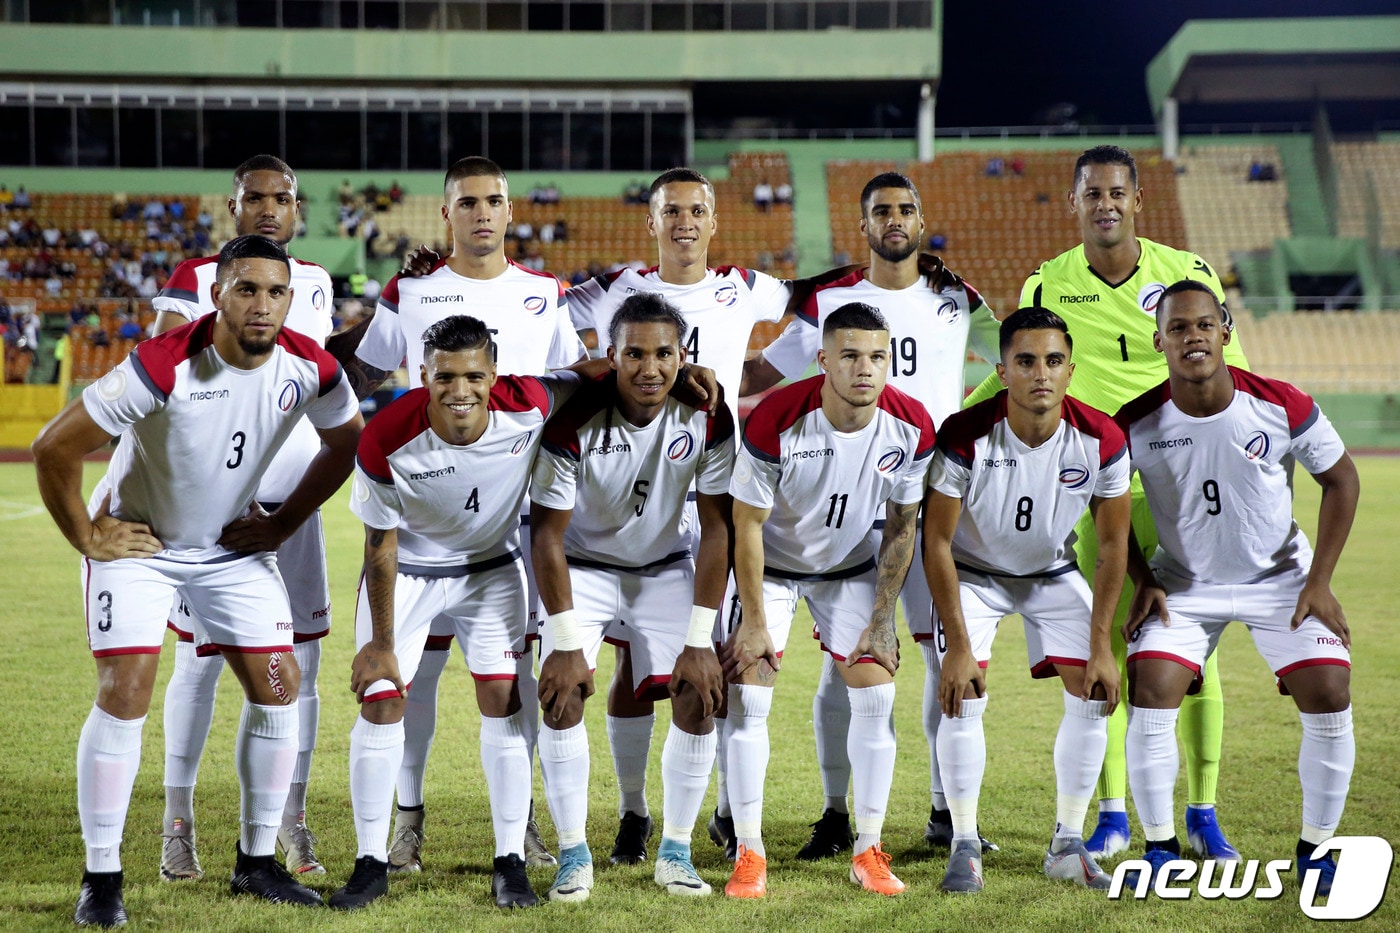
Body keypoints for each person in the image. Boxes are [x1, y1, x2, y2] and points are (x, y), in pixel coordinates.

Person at [31, 235, 363, 927]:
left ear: (292, 300)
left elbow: (345, 442)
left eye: (275, 292)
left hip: (230, 549)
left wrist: (284, 520)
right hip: (141, 545)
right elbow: (54, 445)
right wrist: (89, 537)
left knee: (280, 688)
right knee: (126, 691)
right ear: (217, 295)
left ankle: (255, 860)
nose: (262, 305)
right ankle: (102, 876)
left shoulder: (311, 367)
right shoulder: (163, 363)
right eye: (246, 289)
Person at [963, 145, 1251, 860]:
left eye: (1117, 192)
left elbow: (1234, 373)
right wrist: (951, 427)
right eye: (1091, 194)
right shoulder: (1048, 281)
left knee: (1194, 651)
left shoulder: (1189, 275)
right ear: (1074, 203)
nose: (1105, 205)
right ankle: (1115, 812)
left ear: (1137, 199)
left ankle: (1203, 809)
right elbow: (1021, 369)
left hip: (1182, 488)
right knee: (1111, 644)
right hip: (1101, 488)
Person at [742, 172, 1000, 860]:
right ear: (863, 225)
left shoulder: (957, 295)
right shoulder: (830, 298)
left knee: (937, 650)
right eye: (880, 210)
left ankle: (948, 811)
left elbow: (1003, 365)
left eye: (905, 208)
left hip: (936, 495)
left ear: (922, 219)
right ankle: (834, 813)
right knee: (849, 662)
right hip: (855, 502)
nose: (894, 218)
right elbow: (765, 375)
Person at [347, 155, 587, 873]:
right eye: (468, 201)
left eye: (495, 201)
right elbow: (364, 371)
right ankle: (406, 818)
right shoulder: (411, 288)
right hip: (423, 512)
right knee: (410, 677)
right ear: (445, 212)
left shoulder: (545, 291)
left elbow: (571, 384)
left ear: (510, 210)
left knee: (511, 681)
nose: (483, 212)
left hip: (513, 527)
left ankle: (523, 826)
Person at [567, 168, 792, 862]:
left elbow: (816, 303)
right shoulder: (614, 288)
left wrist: (746, 383)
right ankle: (635, 812)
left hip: (718, 492)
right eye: (672, 212)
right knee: (637, 670)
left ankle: (724, 813)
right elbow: (545, 330)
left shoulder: (748, 286)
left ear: (715, 219)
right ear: (652, 220)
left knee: (718, 666)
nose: (685, 222)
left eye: (697, 210)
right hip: (642, 499)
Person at [331, 314, 591, 911]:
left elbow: (591, 377)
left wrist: (685, 376)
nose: (460, 390)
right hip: (411, 573)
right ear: (421, 373)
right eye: (444, 376)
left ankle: (510, 862)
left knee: (503, 700)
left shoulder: (527, 401)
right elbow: (380, 544)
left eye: (474, 375)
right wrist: (381, 642)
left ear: (493, 374)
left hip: (490, 571)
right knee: (383, 699)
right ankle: (370, 863)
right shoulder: (385, 436)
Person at [1115, 280, 1359, 892]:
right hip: (1185, 585)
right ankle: (1162, 849)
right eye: (1178, 328)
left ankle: (1315, 850)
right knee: (1150, 689)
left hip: (1281, 579)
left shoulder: (1281, 404)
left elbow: (1343, 481)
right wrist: (1143, 578)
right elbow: (1104, 507)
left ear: (1225, 332)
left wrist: (1320, 581)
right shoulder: (1134, 423)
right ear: (1159, 341)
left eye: (1203, 325)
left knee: (1330, 691)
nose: (1192, 337)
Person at [149, 155, 343, 881]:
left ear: (298, 208)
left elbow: (325, 374)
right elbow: (161, 375)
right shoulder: (194, 279)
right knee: (197, 662)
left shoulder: (315, 284)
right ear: (231, 206)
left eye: (283, 198)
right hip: (212, 512)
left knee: (305, 662)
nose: (269, 208)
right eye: (255, 197)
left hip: (295, 505)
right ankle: (179, 824)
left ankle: (291, 819)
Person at [721, 302, 932, 898]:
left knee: (878, 691)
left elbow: (901, 525)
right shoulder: (777, 418)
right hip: (775, 571)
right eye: (850, 356)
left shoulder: (912, 424)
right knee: (750, 699)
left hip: (848, 569)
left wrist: (883, 619)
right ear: (822, 361)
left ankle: (867, 849)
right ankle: (750, 851)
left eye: (877, 356)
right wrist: (756, 621)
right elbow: (749, 524)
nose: (865, 369)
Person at [531, 294, 733, 900]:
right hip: (582, 567)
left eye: (665, 353)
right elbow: (546, 535)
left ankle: (675, 849)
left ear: (684, 356)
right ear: (609, 356)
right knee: (561, 690)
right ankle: (573, 853)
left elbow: (719, 527)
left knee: (702, 689)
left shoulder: (708, 416)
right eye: (635, 353)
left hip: (663, 565)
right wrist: (566, 643)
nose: (650, 367)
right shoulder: (573, 420)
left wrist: (700, 639)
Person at [924, 307, 1131, 894]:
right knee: (960, 693)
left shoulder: (1101, 438)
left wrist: (1100, 647)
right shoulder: (965, 435)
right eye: (1026, 361)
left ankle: (1068, 842)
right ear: (1003, 370)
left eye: (1054, 361)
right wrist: (958, 646)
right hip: (974, 574)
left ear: (1070, 370)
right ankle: (964, 842)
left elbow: (1114, 543)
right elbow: (935, 540)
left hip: (1051, 572)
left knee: (1094, 690)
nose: (1041, 373)